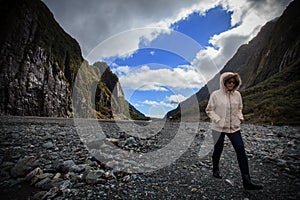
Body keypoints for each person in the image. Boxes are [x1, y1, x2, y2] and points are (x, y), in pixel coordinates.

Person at [205, 72, 263, 190]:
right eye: (228, 82)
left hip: (234, 127)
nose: (231, 84)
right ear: (223, 82)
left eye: (233, 82)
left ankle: (247, 181)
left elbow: (240, 108)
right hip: (218, 127)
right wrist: (218, 120)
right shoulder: (215, 95)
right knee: (218, 149)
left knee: (240, 149)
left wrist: (240, 117)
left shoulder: (238, 95)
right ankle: (215, 169)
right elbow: (209, 110)